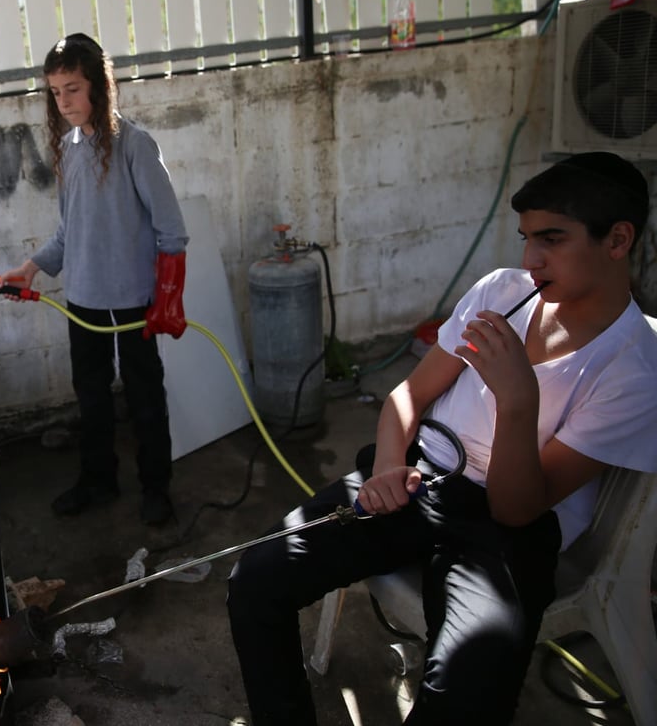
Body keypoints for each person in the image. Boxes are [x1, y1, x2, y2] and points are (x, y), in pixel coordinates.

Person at [227, 151, 657, 724]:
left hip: (504, 531)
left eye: (552, 240)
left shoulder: (633, 368)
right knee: (255, 580)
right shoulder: (501, 293)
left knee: (464, 694)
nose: (532, 260)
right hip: (416, 480)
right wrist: (385, 468)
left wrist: (518, 400)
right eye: (526, 239)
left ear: (618, 239)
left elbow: (515, 508)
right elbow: (408, 397)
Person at [2, 33, 190, 526]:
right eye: (56, 92)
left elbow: (172, 232)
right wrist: (33, 267)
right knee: (91, 397)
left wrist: (167, 298)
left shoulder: (136, 146)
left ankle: (156, 488)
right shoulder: (67, 149)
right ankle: (99, 481)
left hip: (133, 301)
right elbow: (70, 230)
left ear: (100, 87)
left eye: (74, 89)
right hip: (82, 299)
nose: (64, 102)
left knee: (145, 396)